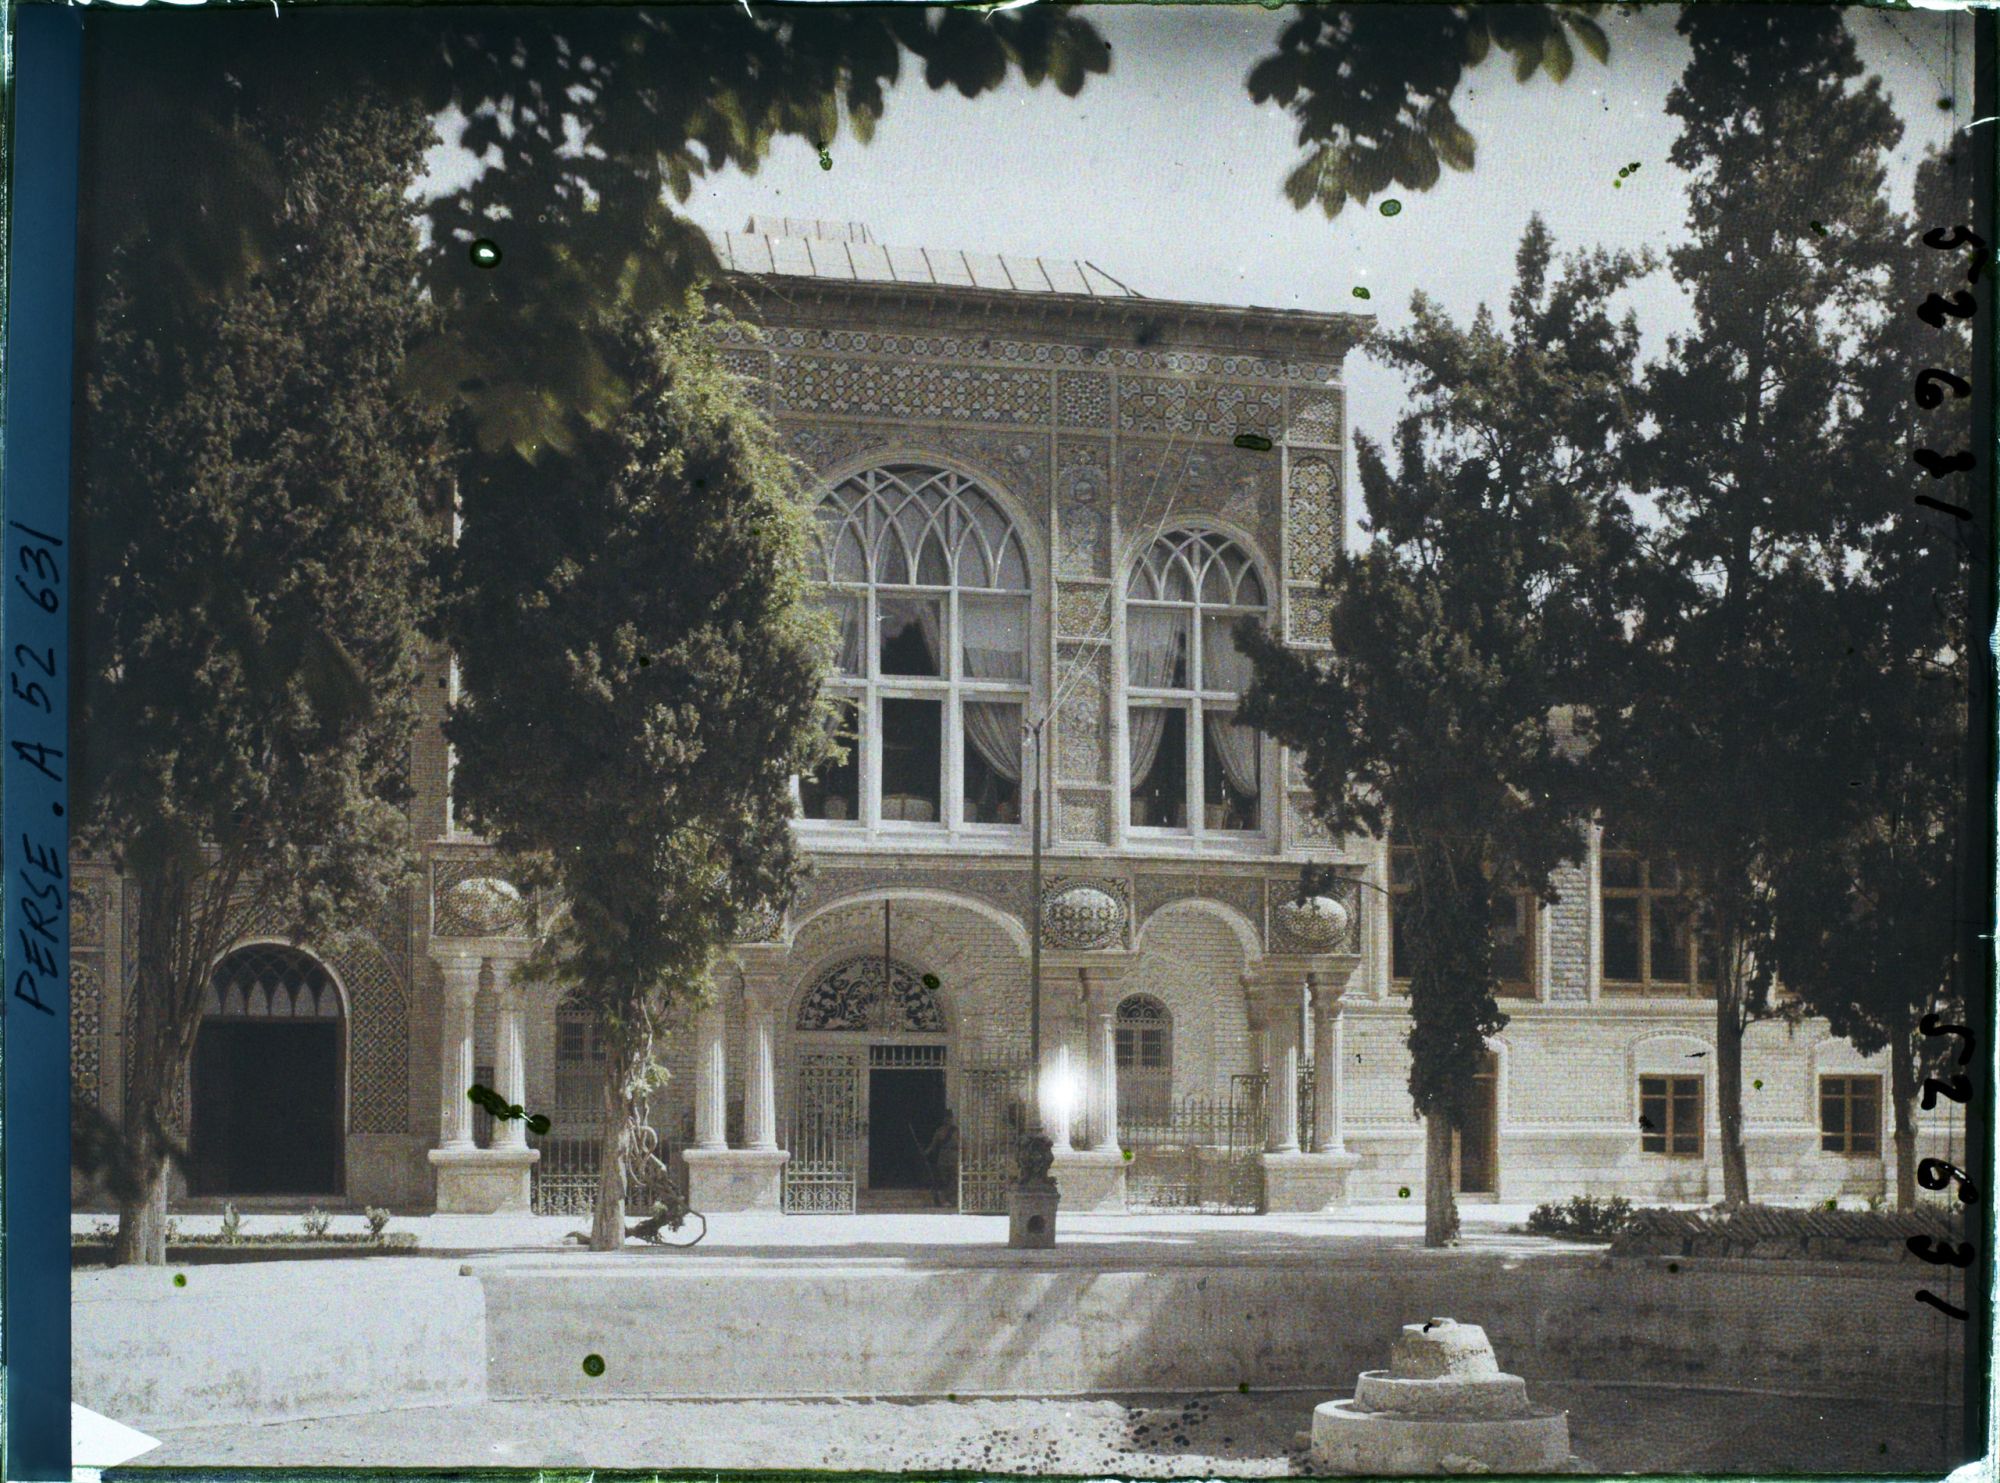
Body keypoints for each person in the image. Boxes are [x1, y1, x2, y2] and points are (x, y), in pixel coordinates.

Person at [923, 1108, 961, 1209]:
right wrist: (926, 1152)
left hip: (953, 1156)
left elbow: (961, 1144)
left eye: (949, 1118)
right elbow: (933, 1145)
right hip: (943, 1156)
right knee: (944, 1179)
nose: (948, 1120)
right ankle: (945, 1199)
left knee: (954, 1179)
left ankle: (952, 1200)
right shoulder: (939, 1131)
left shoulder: (956, 1131)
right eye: (946, 1118)